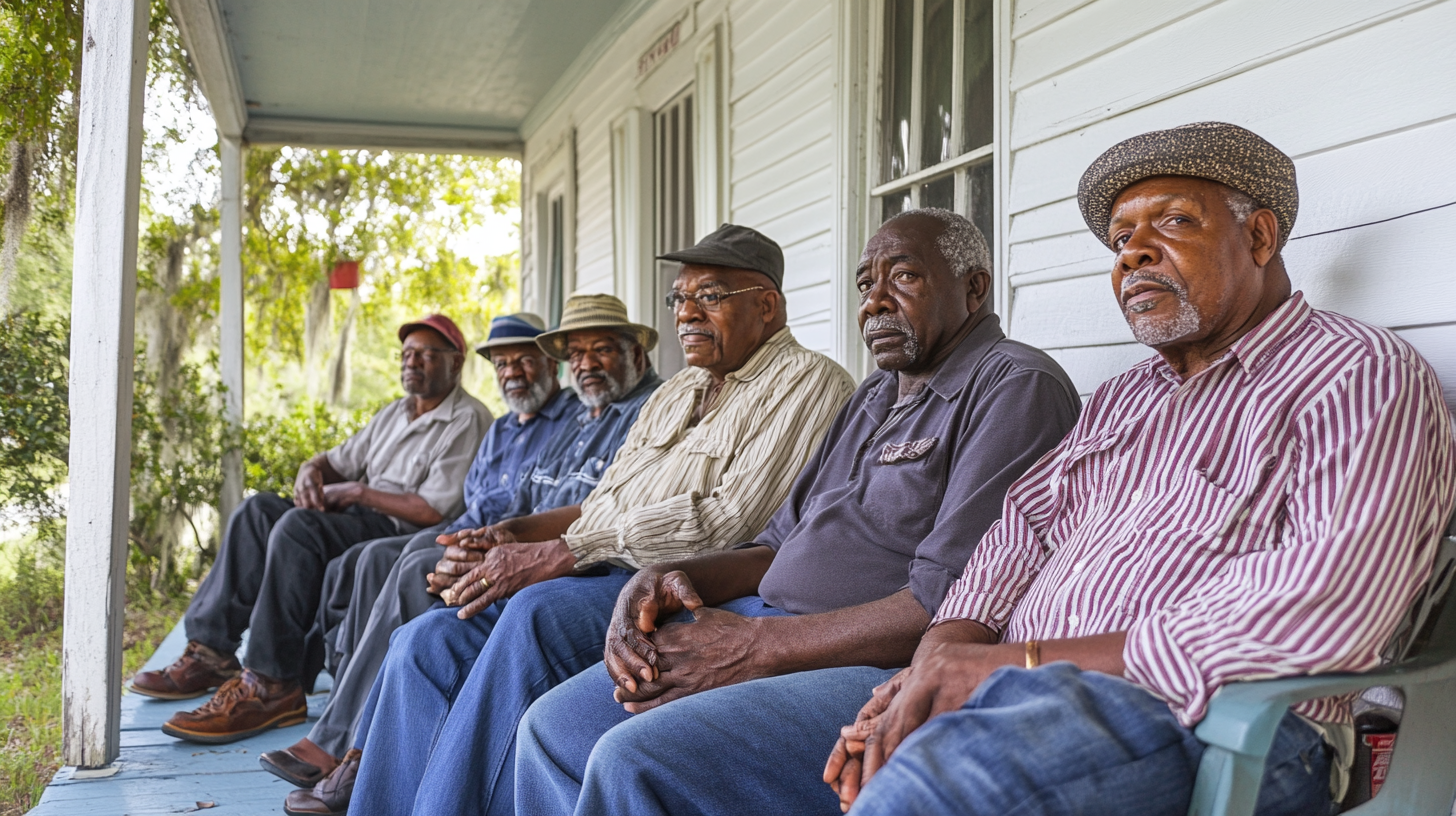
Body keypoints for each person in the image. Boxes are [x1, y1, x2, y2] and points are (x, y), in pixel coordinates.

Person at [814, 122, 1456, 816]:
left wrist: (1009, 663)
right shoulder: (1123, 397)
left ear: (1260, 238)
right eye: (1121, 239)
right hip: (1002, 693)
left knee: (932, 791)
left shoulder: (1358, 374)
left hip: (1201, 721)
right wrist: (936, 659)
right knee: (691, 753)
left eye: (1175, 221)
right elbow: (1022, 531)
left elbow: (1331, 602)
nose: (1132, 255)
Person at [513, 209, 1082, 816]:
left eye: (905, 278)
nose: (875, 302)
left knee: (633, 761)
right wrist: (661, 576)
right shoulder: (874, 394)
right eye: (866, 284)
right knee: (551, 729)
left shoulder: (1015, 386)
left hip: (868, 663)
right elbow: (777, 543)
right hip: (763, 623)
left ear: (975, 287)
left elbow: (946, 603)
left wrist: (758, 646)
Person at [325, 224, 858, 816]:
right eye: (678, 298)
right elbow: (605, 497)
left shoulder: (811, 382)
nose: (687, 313)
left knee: (534, 614)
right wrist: (512, 536)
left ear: (766, 305)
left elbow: (732, 520)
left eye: (708, 296)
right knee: (423, 641)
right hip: (596, 563)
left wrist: (567, 552)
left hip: (678, 589)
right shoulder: (678, 389)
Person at [257, 312, 583, 787]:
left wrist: (480, 538)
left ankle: (349, 742)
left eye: (525, 360)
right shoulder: (503, 427)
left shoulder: (561, 422)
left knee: (410, 566)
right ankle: (347, 710)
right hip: (471, 529)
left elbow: (526, 507)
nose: (513, 371)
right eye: (503, 362)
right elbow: (473, 500)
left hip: (508, 541)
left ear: (552, 365)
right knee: (366, 560)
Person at [133, 315, 493, 746]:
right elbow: (336, 460)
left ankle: (272, 682)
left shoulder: (467, 419)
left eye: (427, 354)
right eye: (407, 353)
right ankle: (211, 653)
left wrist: (358, 491)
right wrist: (310, 469)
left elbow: (432, 506)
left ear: (456, 363)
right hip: (357, 516)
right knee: (258, 509)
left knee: (298, 527)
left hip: (397, 531)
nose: (412, 362)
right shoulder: (395, 413)